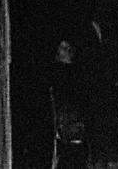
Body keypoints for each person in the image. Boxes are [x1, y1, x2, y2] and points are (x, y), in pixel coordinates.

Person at [48, 39, 91, 168]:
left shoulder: (80, 73)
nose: (67, 51)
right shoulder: (55, 73)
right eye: (63, 48)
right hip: (62, 125)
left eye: (69, 48)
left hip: (77, 124)